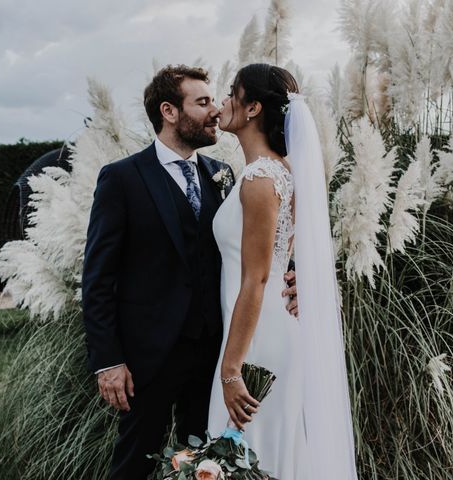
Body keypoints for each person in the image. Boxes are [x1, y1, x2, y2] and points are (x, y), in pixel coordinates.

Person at [81, 65, 298, 480]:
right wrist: (108, 360)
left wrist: (294, 275)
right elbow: (97, 278)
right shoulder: (123, 178)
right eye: (201, 103)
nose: (215, 110)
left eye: (216, 99)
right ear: (169, 111)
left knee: (210, 466)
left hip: (218, 352)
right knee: (133, 462)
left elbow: (262, 249)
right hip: (150, 357)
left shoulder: (225, 175)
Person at [207, 64, 358, 479]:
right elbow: (284, 259)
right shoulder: (282, 172)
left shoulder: (260, 179)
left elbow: (255, 278)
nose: (221, 102)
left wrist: (231, 369)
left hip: (256, 341)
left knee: (252, 458)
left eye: (230, 93)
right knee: (266, 457)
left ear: (252, 107)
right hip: (264, 328)